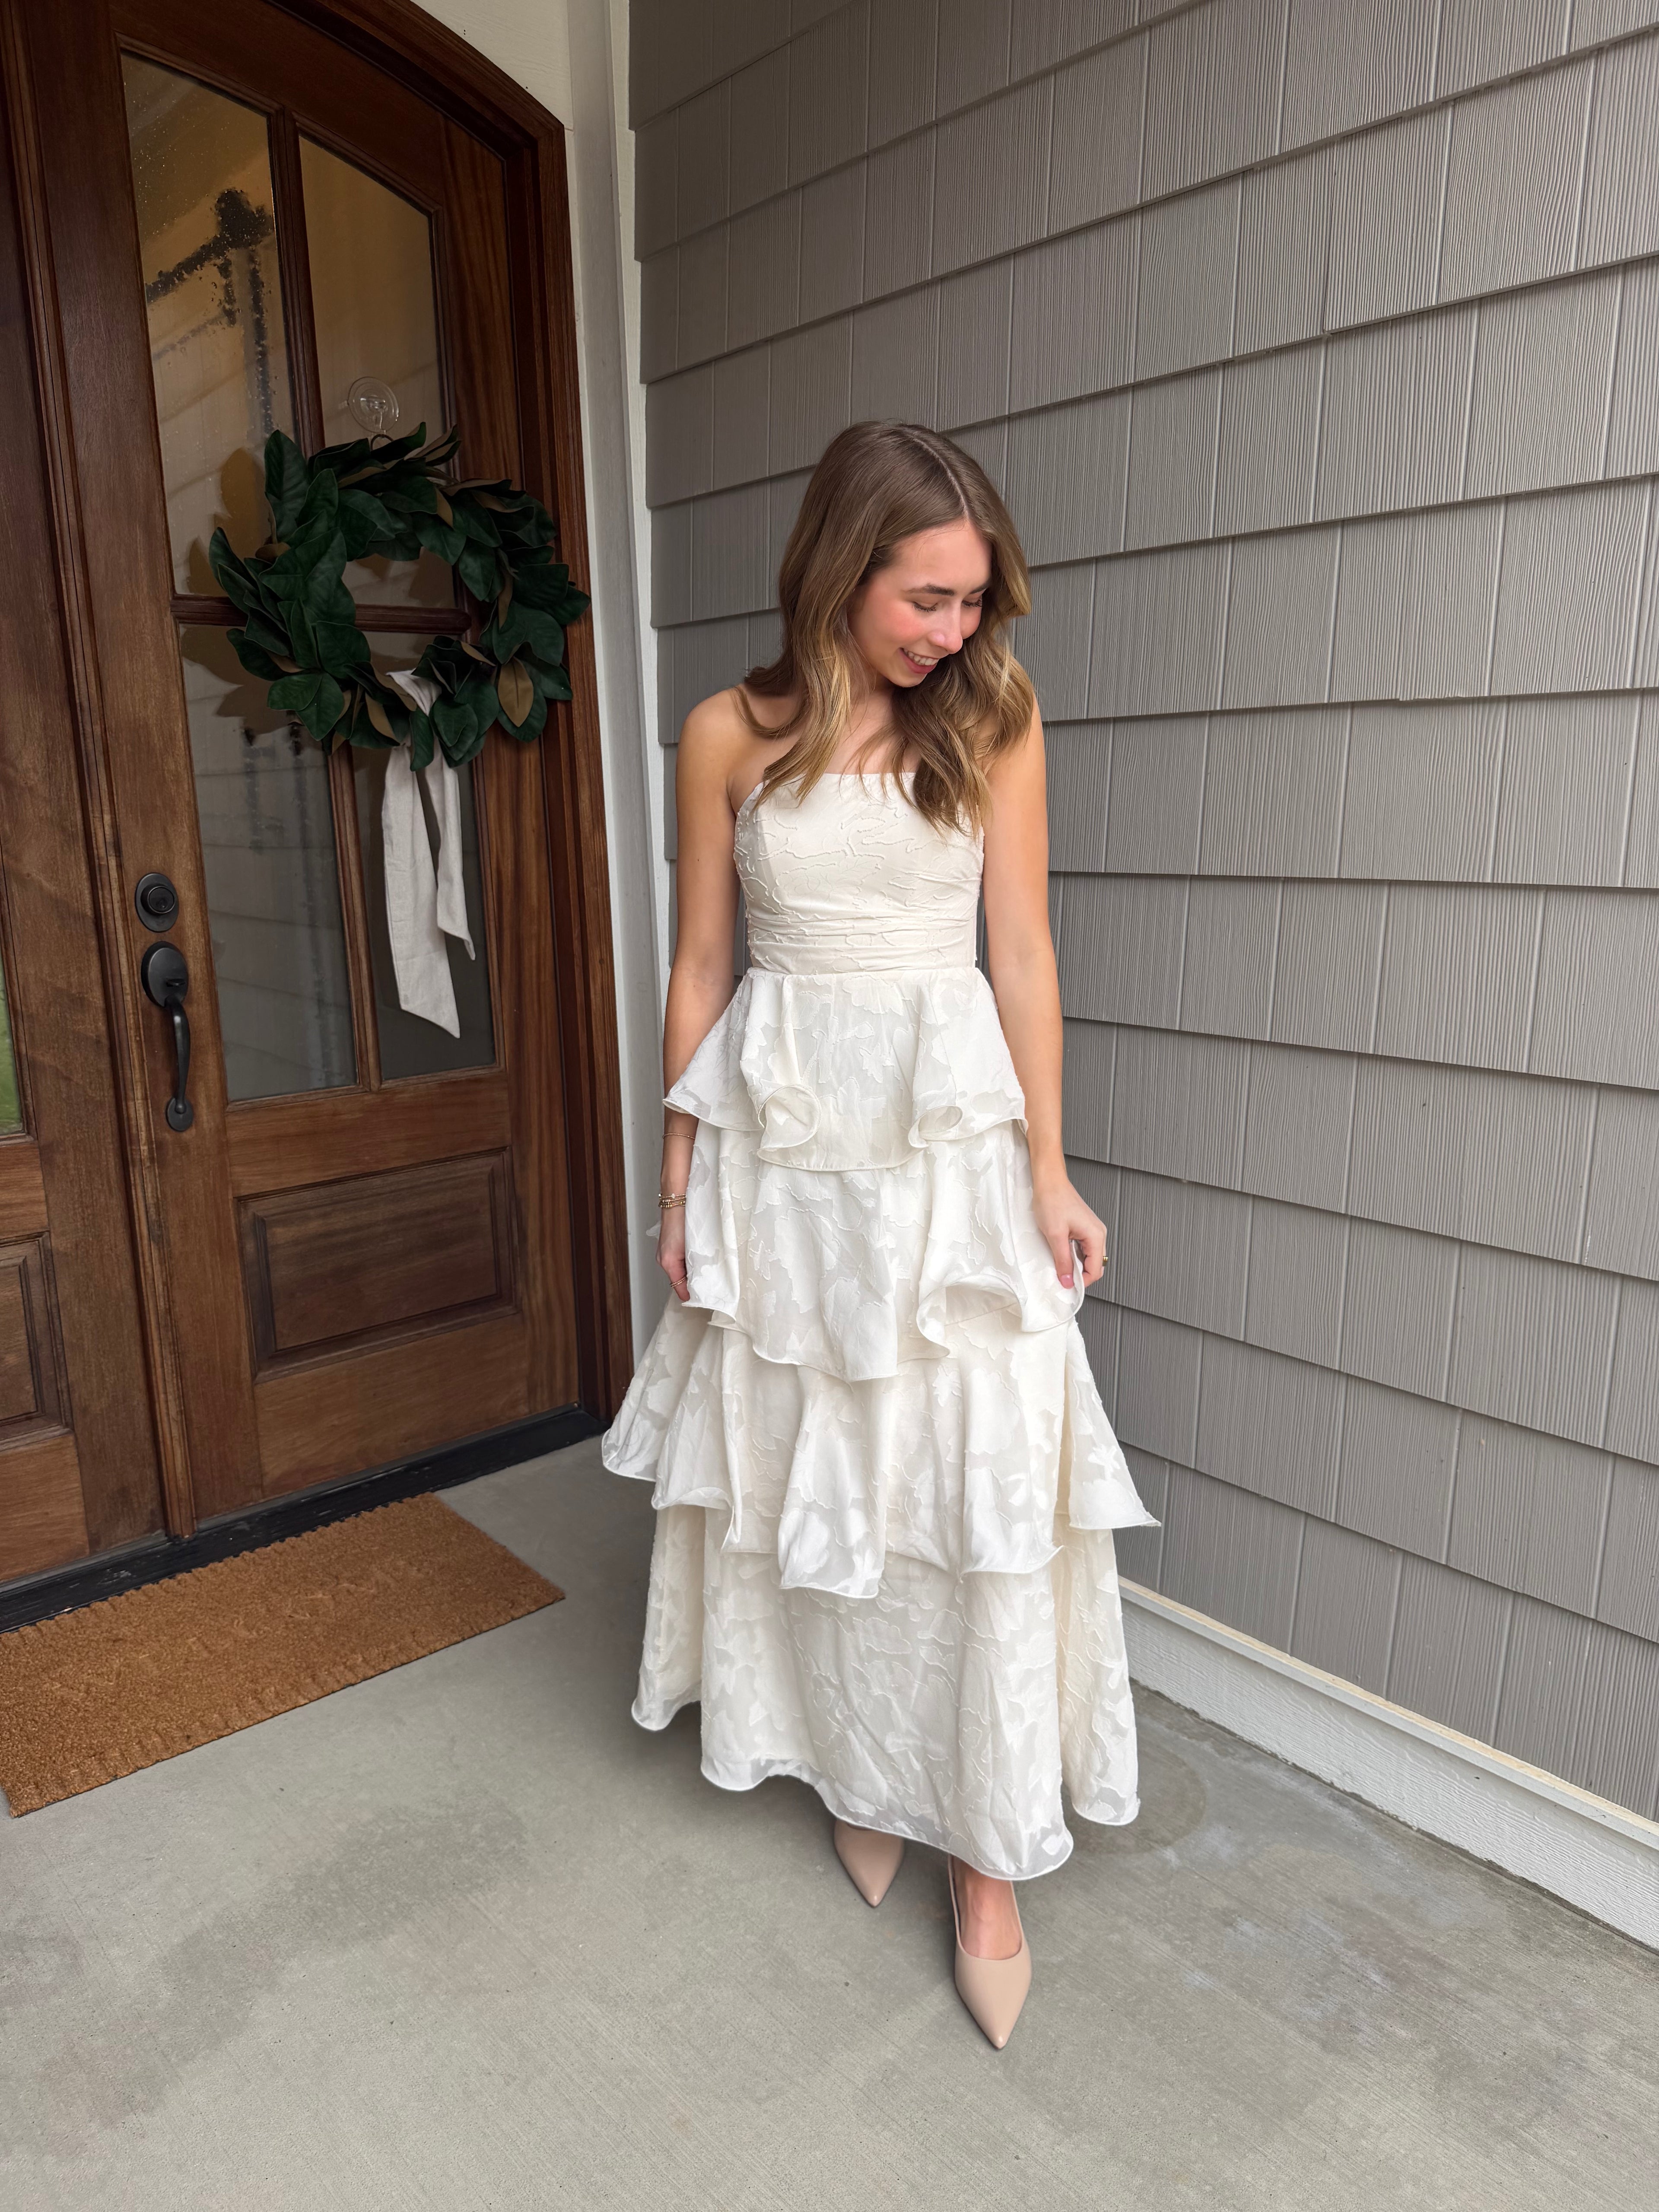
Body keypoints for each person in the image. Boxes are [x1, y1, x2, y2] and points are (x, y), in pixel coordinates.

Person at [602, 420, 1154, 2049]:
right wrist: (682, 1178)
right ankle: (860, 1768)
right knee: (814, 1462)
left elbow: (1026, 956)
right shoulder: (726, 733)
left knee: (966, 1475)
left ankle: (988, 1858)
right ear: (843, 570)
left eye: (973, 600)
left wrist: (1050, 1170)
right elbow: (702, 970)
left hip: (942, 1145)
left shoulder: (993, 721)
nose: (956, 630)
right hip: (783, 1144)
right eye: (928, 596)